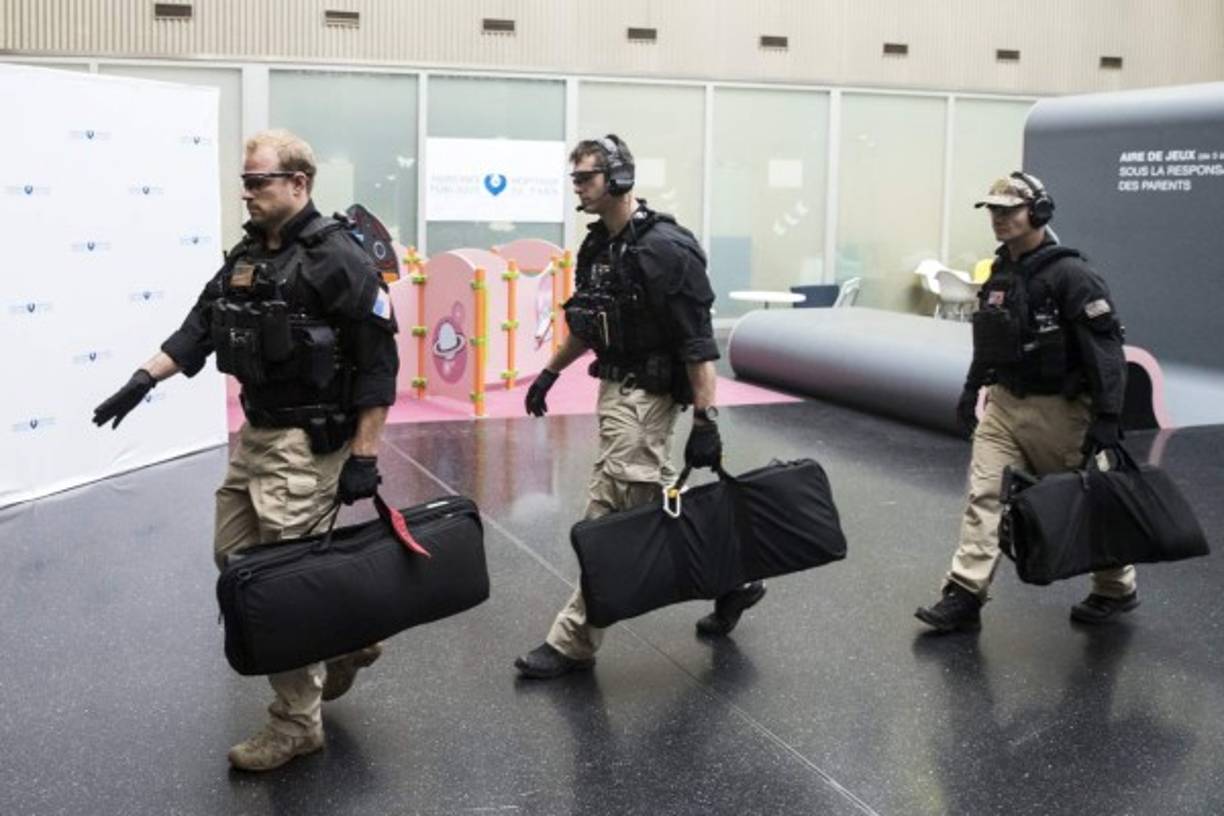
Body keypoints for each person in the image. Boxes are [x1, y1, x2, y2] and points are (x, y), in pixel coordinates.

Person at [92, 130, 399, 770]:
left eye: (259, 181)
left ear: (298, 183)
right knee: (233, 559)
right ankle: (346, 637)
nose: (248, 191)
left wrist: (364, 457)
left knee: (278, 588)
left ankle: (295, 724)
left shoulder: (339, 258)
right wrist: (145, 377)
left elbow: (378, 365)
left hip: (306, 446)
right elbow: (202, 325)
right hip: (255, 436)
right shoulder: (248, 254)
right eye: (246, 181)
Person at [513, 134, 766, 680]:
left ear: (620, 180)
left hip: (649, 400)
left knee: (608, 518)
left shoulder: (665, 250)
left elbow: (698, 342)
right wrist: (550, 372)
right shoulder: (598, 248)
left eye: (587, 178)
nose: (577, 188)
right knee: (653, 511)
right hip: (615, 392)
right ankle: (733, 580)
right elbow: (590, 323)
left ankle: (573, 640)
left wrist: (705, 420)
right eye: (575, 178)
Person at [915, 171, 1136, 633]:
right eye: (993, 210)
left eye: (1009, 210)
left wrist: (1109, 416)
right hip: (1004, 406)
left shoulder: (1073, 274)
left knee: (1085, 501)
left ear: (1038, 213)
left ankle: (1116, 586)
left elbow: (1106, 349)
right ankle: (964, 593)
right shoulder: (999, 274)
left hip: (1062, 411)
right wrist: (972, 388)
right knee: (984, 495)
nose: (998, 219)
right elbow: (989, 343)